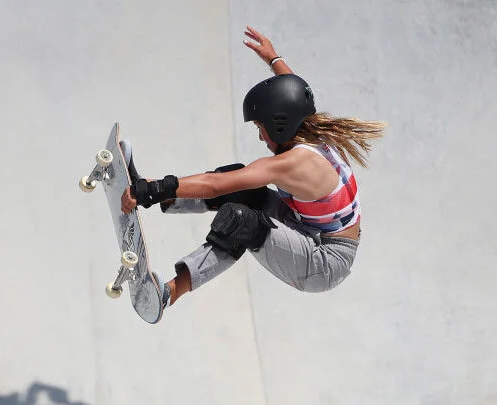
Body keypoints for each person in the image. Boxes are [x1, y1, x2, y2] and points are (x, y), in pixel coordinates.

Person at [121, 26, 386, 312]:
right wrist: (273, 58)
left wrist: (155, 187)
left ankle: (168, 294)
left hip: (324, 260)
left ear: (279, 124)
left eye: (261, 128)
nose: (261, 137)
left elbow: (216, 185)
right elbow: (295, 89)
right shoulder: (309, 127)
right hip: (304, 224)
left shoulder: (294, 163)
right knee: (244, 186)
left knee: (240, 220)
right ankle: (159, 196)